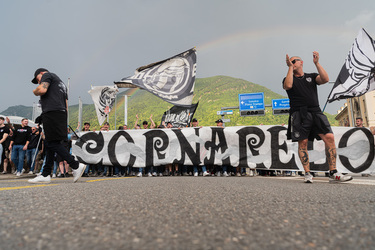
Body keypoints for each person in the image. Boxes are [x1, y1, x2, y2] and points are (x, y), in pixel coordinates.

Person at [283, 52, 353, 183]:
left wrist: (317, 63)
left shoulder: (311, 76)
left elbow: (325, 79)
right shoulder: (288, 77)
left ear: (301, 62)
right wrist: (290, 68)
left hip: (315, 111)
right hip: (299, 113)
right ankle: (308, 173)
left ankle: (333, 172)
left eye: (294, 61)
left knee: (330, 137)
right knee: (303, 143)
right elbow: (288, 86)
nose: (292, 63)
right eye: (290, 62)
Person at [28, 68, 86, 184]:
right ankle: (45, 174)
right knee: (50, 143)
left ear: (41, 74)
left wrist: (35, 91)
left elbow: (42, 90)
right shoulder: (61, 84)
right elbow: (65, 103)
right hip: (60, 114)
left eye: (38, 79)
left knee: (51, 143)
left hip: (52, 113)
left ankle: (75, 165)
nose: (39, 82)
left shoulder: (47, 75)